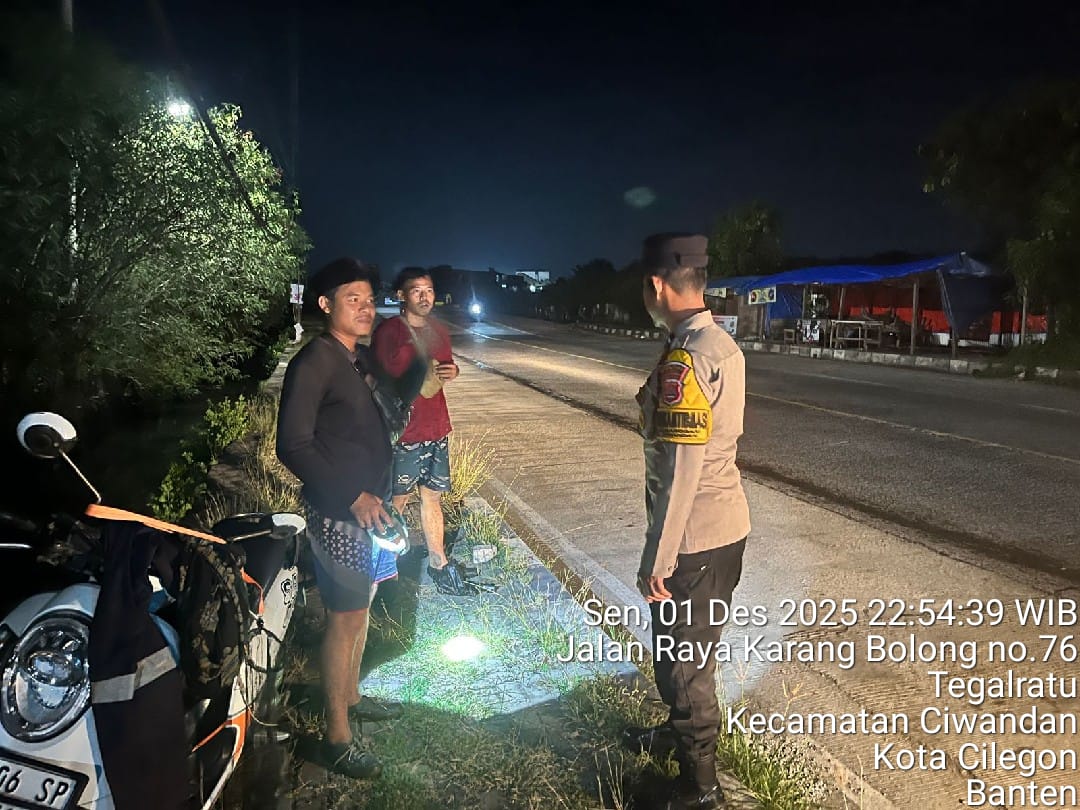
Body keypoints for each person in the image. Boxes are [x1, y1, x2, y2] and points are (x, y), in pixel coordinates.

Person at [626, 233, 751, 810]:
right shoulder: (715, 342)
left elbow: (682, 467)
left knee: (684, 665)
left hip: (694, 539)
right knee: (683, 652)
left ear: (657, 285)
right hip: (721, 530)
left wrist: (660, 555)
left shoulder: (688, 357)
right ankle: (677, 736)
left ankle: (700, 788)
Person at [276, 257, 404, 780]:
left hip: (373, 511)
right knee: (344, 616)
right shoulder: (315, 361)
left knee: (363, 606)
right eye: (354, 299)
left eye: (370, 300)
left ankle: (351, 696)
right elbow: (293, 444)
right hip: (339, 513)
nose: (366, 308)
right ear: (325, 304)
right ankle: (336, 737)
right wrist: (351, 495)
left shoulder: (356, 358)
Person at [371, 267, 476, 596]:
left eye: (429, 290)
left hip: (435, 426)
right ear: (401, 295)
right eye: (416, 290)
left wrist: (453, 371)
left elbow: (444, 369)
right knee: (396, 501)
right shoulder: (389, 331)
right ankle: (382, 573)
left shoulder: (439, 331)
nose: (424, 296)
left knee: (432, 497)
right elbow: (380, 376)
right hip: (404, 432)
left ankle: (438, 563)